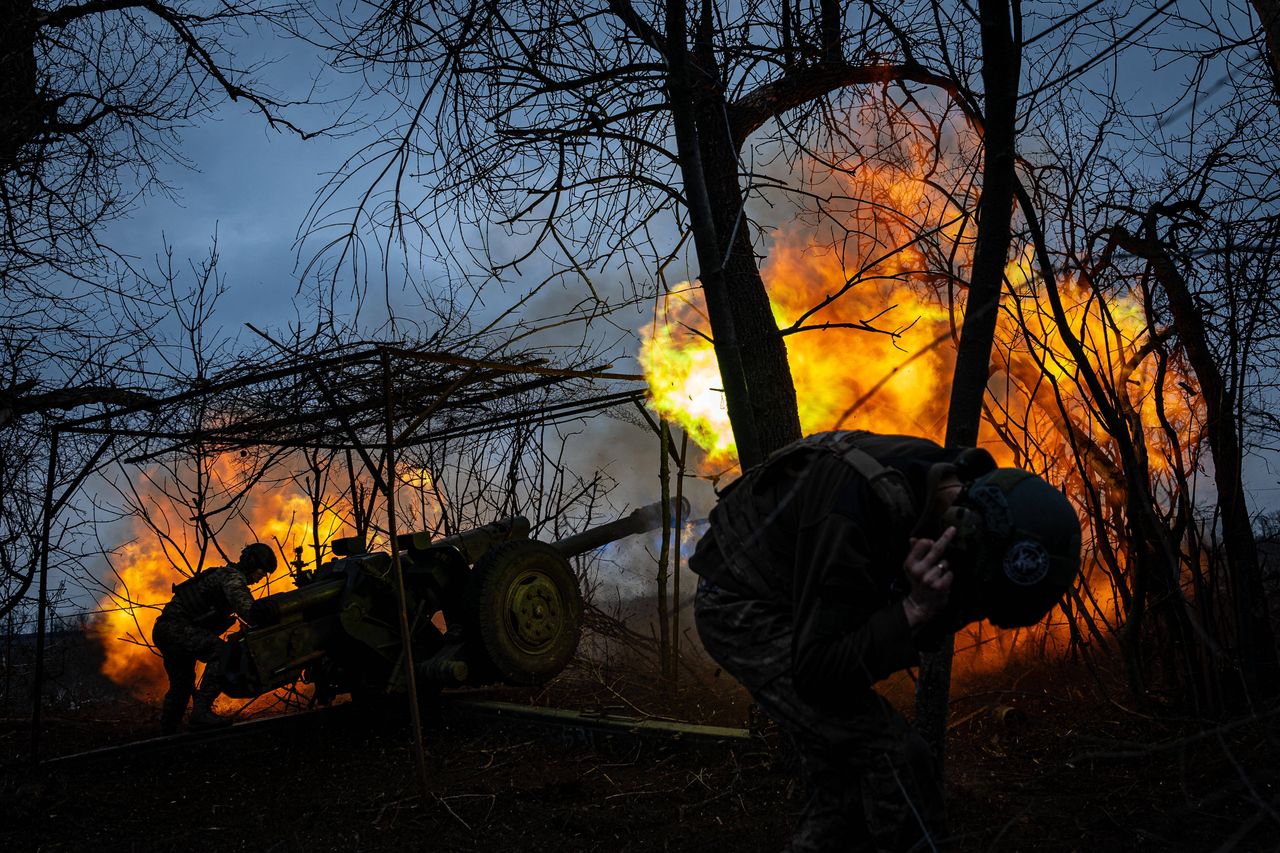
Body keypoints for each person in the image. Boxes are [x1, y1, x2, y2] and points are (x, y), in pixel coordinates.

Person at [689, 430, 1081, 852]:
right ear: (961, 532)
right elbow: (817, 672)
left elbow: (913, 622)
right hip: (742, 603)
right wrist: (911, 610)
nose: (972, 611)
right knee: (891, 754)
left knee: (842, 781)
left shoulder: (965, 496)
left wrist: (918, 612)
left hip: (809, 603)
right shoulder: (857, 506)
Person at [152, 543, 278, 734]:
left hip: (166, 630)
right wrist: (269, 614)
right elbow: (248, 611)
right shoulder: (232, 578)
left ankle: (166, 732)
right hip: (177, 628)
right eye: (262, 570)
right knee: (221, 653)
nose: (262, 577)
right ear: (251, 563)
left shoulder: (223, 574)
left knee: (182, 683)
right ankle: (201, 713)